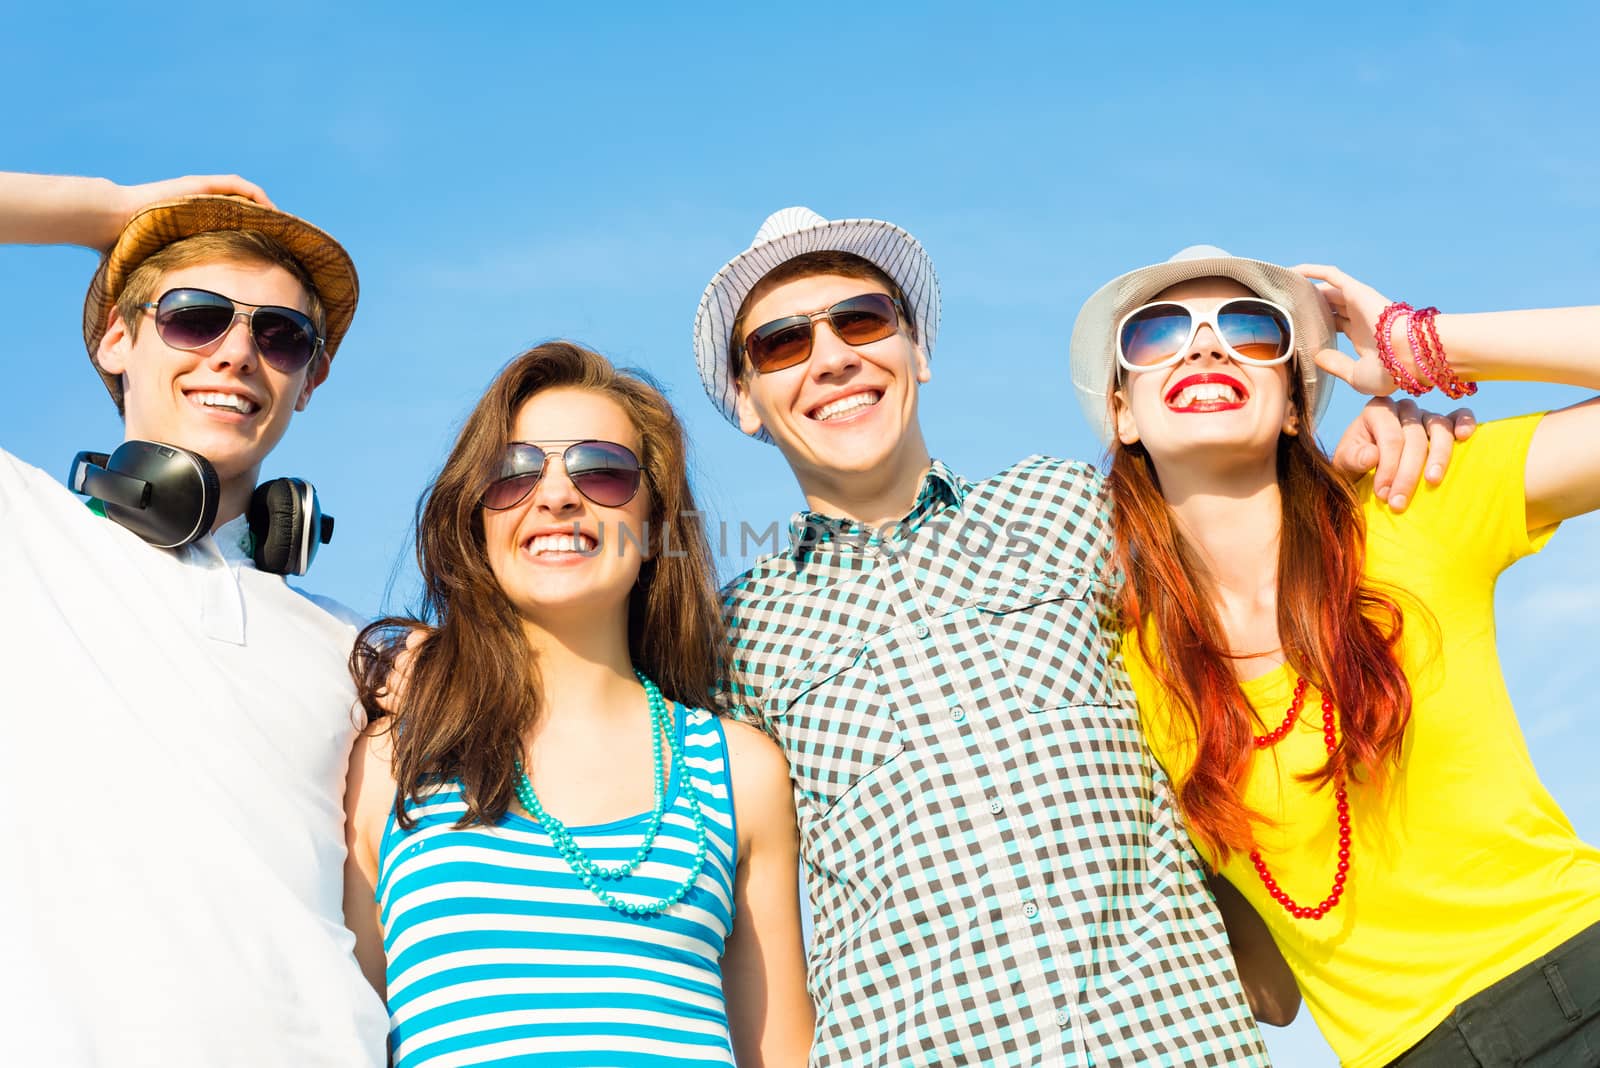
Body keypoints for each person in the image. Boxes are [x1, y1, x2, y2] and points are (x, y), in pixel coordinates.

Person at [690, 208, 1464, 1066]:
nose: (833, 356)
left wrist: (1372, 447)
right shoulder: (734, 639)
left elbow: (1252, 547)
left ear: (920, 352)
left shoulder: (1069, 507)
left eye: (863, 320)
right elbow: (760, 945)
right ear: (746, 402)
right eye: (781, 345)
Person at [1068, 247, 1600, 1067]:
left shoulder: (1406, 506)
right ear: (1123, 413)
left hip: (1577, 972)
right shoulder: (1119, 677)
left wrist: (1418, 342)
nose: (1204, 346)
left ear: (1293, 405)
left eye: (1250, 330)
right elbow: (1268, 991)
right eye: (1158, 332)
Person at [0, 172, 385, 1064]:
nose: (237, 352)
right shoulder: (22, 528)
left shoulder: (353, 645)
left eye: (280, 334)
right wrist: (109, 212)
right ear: (117, 339)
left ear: (309, 379)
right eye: (194, 316)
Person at [343, 341, 812, 1067]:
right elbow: (338, 1036)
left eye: (603, 472)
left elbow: (780, 1054)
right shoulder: (393, 759)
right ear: (477, 522)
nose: (557, 495)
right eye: (512, 474)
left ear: (656, 526)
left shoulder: (741, 772)